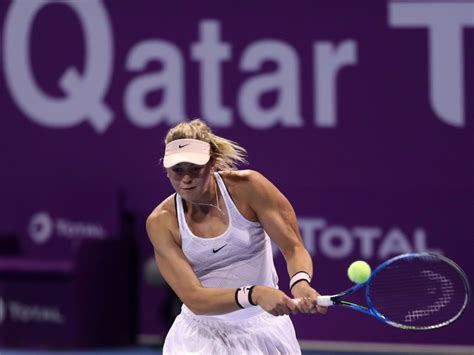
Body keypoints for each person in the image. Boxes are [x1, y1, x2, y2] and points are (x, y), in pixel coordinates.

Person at [146, 119, 326, 354]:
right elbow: (194, 299)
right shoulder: (161, 222)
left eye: (194, 168)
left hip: (265, 329)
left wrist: (300, 282)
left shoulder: (250, 187)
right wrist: (254, 294)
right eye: (177, 170)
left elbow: (293, 248)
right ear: (167, 171)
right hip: (199, 339)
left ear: (212, 163)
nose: (186, 179)